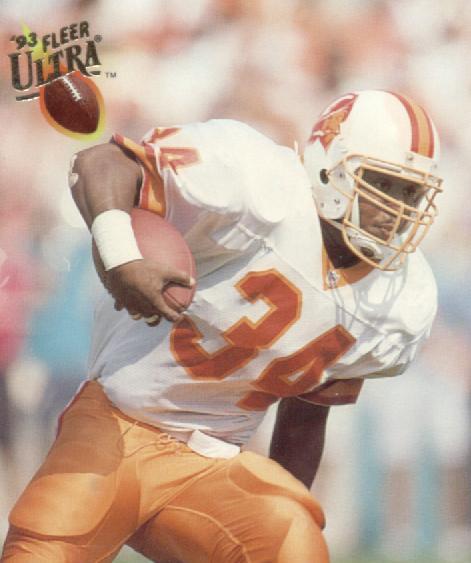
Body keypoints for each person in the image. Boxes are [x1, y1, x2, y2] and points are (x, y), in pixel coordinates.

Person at [2, 90, 443, 562]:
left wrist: (290, 504)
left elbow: (306, 415)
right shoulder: (258, 183)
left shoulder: (399, 299)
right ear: (327, 167)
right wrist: (121, 257)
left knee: (293, 546)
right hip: (114, 426)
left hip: (211, 463)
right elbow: (100, 162)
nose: (396, 209)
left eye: (410, 193)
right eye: (383, 185)